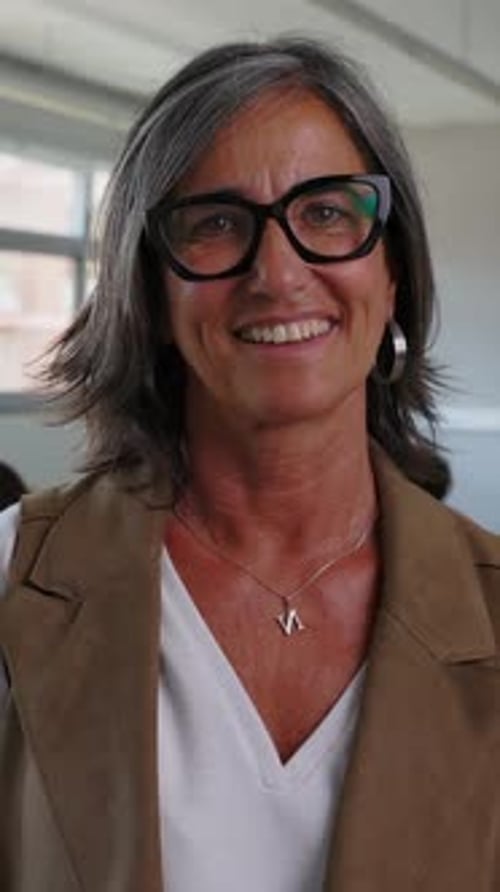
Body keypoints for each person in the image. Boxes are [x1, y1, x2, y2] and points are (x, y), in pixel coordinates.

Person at [0, 36, 499, 892]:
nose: (278, 272)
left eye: (328, 213)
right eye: (216, 223)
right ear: (150, 292)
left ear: (394, 273)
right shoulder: (14, 576)